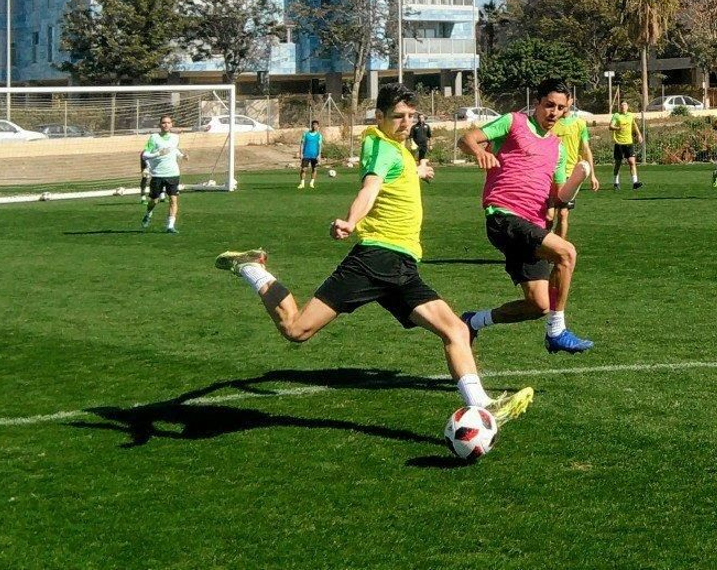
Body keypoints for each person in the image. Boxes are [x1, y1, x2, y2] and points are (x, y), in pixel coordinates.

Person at [214, 84, 532, 425]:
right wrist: (351, 220)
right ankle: (251, 269)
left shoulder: (397, 147)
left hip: (402, 265)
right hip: (375, 259)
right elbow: (371, 187)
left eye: (411, 116)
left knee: (455, 330)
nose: (406, 122)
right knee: (296, 329)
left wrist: (417, 170)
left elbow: (396, 172)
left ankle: (482, 406)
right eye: (398, 116)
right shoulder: (381, 148)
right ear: (379, 116)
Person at [458, 78, 595, 353]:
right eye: (549, 105)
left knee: (538, 305)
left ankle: (472, 322)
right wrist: (478, 152)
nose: (554, 113)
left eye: (561, 108)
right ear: (537, 103)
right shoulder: (514, 122)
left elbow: (557, 196)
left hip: (532, 223)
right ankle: (557, 331)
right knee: (567, 253)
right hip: (503, 216)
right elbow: (467, 139)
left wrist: (578, 178)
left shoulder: (557, 147)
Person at [549, 99, 598, 239]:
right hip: (551, 174)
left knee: (563, 213)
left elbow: (586, 149)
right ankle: (546, 247)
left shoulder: (579, 123)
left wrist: (592, 175)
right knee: (549, 215)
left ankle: (558, 250)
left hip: (571, 175)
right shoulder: (552, 123)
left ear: (570, 101)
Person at [141, 115, 186, 233]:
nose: (166, 125)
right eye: (164, 123)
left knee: (173, 200)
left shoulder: (175, 137)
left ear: (172, 124)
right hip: (157, 174)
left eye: (168, 123)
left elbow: (174, 149)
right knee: (154, 201)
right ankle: (148, 212)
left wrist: (182, 156)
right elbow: (145, 155)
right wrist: (158, 154)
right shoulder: (154, 138)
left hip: (173, 173)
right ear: (160, 125)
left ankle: (170, 226)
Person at [609, 99, 643, 189]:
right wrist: (617, 128)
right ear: (620, 107)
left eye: (625, 105)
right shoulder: (616, 115)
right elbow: (610, 126)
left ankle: (635, 182)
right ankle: (616, 182)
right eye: (622, 105)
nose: (623, 106)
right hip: (619, 143)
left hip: (629, 142)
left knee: (632, 162)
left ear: (627, 107)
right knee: (618, 164)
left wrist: (639, 135)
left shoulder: (630, 115)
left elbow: (634, 125)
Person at [298, 120, 324, 189]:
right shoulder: (306, 134)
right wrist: (301, 154)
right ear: (311, 125)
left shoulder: (319, 135)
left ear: (318, 126)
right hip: (306, 154)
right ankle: (302, 184)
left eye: (316, 125)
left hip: (315, 155)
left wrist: (319, 155)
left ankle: (312, 183)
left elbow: (320, 146)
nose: (314, 126)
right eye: (313, 125)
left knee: (314, 169)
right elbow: (302, 144)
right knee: (304, 169)